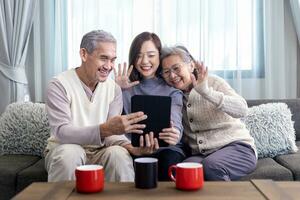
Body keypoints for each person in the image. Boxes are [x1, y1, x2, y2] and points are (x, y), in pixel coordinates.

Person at [45, 30, 157, 182]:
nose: (109, 66)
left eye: (112, 60)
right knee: (70, 154)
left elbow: (112, 135)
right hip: (64, 148)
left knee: (118, 154)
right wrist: (104, 129)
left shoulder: (114, 89)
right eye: (103, 58)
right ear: (84, 54)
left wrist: (132, 148)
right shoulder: (59, 85)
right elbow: (62, 132)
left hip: (100, 151)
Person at [160, 45, 257, 181]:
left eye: (176, 68)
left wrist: (206, 92)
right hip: (203, 155)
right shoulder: (173, 95)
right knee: (180, 173)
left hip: (238, 149)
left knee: (210, 166)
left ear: (191, 65)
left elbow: (242, 109)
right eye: (166, 72)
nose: (172, 75)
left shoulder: (213, 82)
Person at [114, 32, 185, 181]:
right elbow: (112, 122)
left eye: (151, 55)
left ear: (160, 56)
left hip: (167, 149)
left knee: (168, 161)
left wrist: (175, 133)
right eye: (139, 56)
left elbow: (176, 120)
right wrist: (116, 89)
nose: (144, 61)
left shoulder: (172, 89)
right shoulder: (124, 88)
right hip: (134, 149)